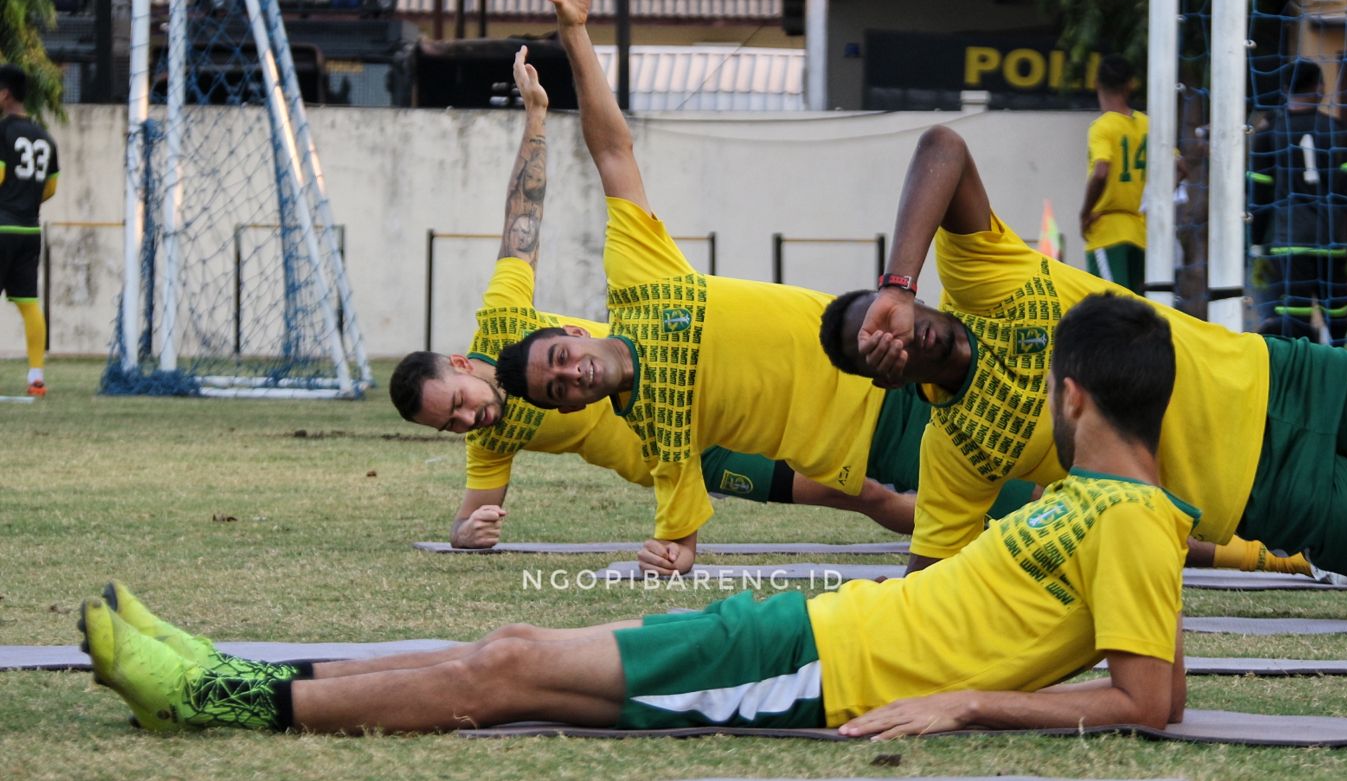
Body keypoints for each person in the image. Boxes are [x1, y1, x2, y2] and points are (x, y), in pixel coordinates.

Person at [79, 290, 1192, 738]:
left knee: (507, 671)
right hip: (817, 633)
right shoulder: (1084, 498)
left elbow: (1151, 700)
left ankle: (213, 704)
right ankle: (231, 678)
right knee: (507, 649)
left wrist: (962, 707)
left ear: (1073, 396)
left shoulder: (1134, 520)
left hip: (816, 674)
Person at [492, 0, 1028, 575]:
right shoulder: (658, 434)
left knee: (1082, 429)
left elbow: (611, 150)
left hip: (897, 341)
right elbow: (679, 537)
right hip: (880, 437)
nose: (572, 376)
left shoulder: (639, 283)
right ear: (571, 409)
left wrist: (577, 35)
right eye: (559, 392)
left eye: (560, 359)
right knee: (1049, 506)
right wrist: (670, 555)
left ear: (573, 333)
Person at [387, 47, 921, 553]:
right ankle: (961, 540)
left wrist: (536, 120)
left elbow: (522, 220)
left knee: (877, 457)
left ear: (461, 364)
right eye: (450, 425)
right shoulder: (491, 439)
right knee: (863, 496)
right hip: (684, 455)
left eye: (458, 403)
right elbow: (469, 515)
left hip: (717, 391)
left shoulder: (504, 318)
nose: (467, 421)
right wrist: (465, 532)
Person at [833, 124, 1347, 579]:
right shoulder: (958, 452)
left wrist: (895, 285)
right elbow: (929, 578)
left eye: (889, 318)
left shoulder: (980, 278)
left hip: (1289, 373)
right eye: (879, 345)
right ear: (887, 381)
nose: (899, 333)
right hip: (1265, 489)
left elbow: (942, 146)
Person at [1248, 59, 1347, 344]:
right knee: (1339, 311)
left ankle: (1300, 374)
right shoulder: (1340, 130)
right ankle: (1339, 367)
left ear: (1284, 89)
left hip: (1289, 241)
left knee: (1293, 315)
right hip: (1332, 240)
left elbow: (1259, 194)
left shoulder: (1269, 134)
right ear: (1320, 88)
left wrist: (1257, 243)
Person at [0, 64, 58, 397]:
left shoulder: (2, 132)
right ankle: (36, 378)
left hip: (1, 224)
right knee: (28, 303)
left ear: (5, 94)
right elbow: (50, 188)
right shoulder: (45, 137)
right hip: (29, 229)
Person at [1081, 55, 1148, 292]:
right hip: (1141, 232)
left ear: (1097, 83)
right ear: (1131, 84)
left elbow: (1101, 171)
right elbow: (1179, 168)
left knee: (1110, 309)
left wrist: (1085, 213)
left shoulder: (1103, 126)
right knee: (1135, 310)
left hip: (1108, 229)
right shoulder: (1147, 124)